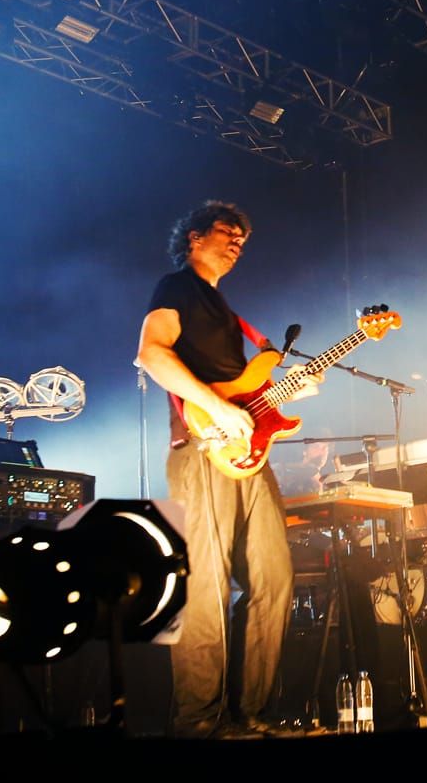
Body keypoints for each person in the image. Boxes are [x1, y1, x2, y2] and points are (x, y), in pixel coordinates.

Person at [135, 199, 324, 739]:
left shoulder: (224, 309)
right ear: (195, 236)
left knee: (274, 578)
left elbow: (246, 388)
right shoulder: (175, 287)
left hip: (247, 457)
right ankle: (198, 720)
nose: (238, 242)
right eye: (227, 231)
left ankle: (253, 714)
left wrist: (289, 387)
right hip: (201, 449)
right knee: (207, 585)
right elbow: (152, 354)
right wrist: (216, 408)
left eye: (243, 237)